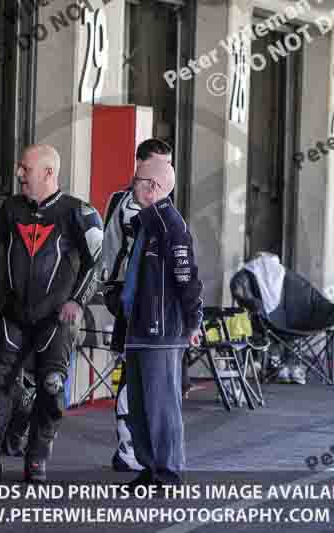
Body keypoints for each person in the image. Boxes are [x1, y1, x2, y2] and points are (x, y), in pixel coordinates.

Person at [0, 144, 103, 482]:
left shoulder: (79, 213)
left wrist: (77, 301)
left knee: (51, 384)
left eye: (25, 168)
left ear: (48, 173)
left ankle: (36, 457)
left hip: (56, 319)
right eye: (19, 168)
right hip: (11, 316)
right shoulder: (6, 208)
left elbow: (98, 263)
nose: (19, 174)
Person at [123, 157, 202, 486]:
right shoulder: (146, 222)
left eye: (138, 179)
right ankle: (149, 466)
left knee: (161, 405)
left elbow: (187, 277)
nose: (132, 183)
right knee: (140, 406)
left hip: (162, 331)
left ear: (153, 187)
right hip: (139, 329)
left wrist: (194, 320)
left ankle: (168, 471)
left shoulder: (171, 225)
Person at [101, 138, 172, 472]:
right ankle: (128, 447)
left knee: (150, 375)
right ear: (140, 164)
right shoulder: (124, 201)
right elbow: (109, 249)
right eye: (156, 164)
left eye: (168, 165)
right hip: (128, 297)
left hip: (155, 303)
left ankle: (145, 448)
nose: (162, 173)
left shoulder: (165, 203)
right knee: (132, 372)